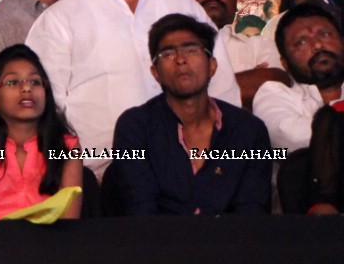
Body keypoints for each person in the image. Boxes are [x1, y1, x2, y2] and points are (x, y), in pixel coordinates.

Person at [26, 0, 241, 177]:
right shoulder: (60, 19)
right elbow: (44, 107)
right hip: (103, 174)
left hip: (193, 171)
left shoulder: (180, 5)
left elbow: (221, 87)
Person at [108, 14, 272, 215]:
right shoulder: (134, 127)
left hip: (230, 244)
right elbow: (141, 212)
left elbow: (251, 215)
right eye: (167, 54)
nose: (180, 60)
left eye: (192, 50)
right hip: (156, 244)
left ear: (212, 66)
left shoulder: (249, 130)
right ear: (155, 72)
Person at [0, 45, 82, 219]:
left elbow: (70, 227)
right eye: (13, 82)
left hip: (52, 245)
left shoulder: (68, 146)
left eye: (35, 81)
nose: (27, 88)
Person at [178, 0, 288, 110]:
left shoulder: (258, 46)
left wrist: (187, 94)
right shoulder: (162, 49)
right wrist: (250, 79)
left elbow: (276, 83)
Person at [253, 3, 344, 151]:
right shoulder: (274, 95)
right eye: (301, 42)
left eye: (324, 34)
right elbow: (290, 136)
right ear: (285, 63)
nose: (317, 45)